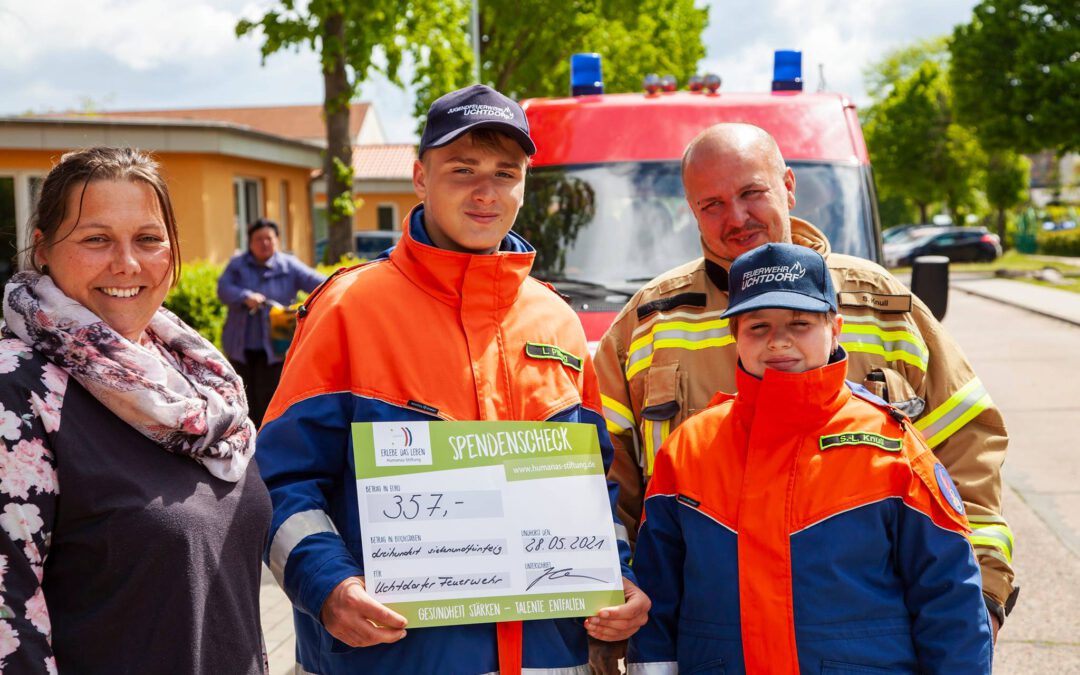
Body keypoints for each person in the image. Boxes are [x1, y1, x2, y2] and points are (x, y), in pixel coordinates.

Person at [256, 84, 649, 675]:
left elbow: (590, 488)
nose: (485, 191)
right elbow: (279, 480)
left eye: (505, 172)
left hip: (546, 660)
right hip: (391, 660)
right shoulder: (349, 308)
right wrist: (327, 585)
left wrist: (616, 578)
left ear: (524, 185)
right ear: (420, 177)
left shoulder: (557, 320)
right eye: (462, 169)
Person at [592, 123, 1014, 668]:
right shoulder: (650, 320)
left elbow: (967, 453)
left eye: (751, 193)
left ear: (788, 185)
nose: (736, 218)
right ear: (691, 211)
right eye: (713, 203)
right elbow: (601, 473)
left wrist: (982, 598)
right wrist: (617, 586)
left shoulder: (883, 305)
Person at [626, 242, 993, 674]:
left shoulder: (891, 448)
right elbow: (658, 604)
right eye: (757, 327)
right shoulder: (688, 448)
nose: (778, 341)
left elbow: (950, 602)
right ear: (735, 337)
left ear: (835, 328)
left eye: (799, 323)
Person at [0, 147, 271, 673]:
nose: (126, 263)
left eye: (148, 239)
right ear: (43, 250)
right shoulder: (20, 388)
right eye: (96, 239)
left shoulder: (194, 376)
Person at [217, 218, 326, 427]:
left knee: (271, 398)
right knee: (243, 396)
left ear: (277, 240)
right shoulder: (238, 265)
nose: (264, 243)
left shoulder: (289, 265)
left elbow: (320, 282)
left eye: (269, 238)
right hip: (241, 348)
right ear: (250, 243)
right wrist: (245, 296)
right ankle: (244, 440)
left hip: (276, 348)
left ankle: (268, 440)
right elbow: (223, 289)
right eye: (259, 239)